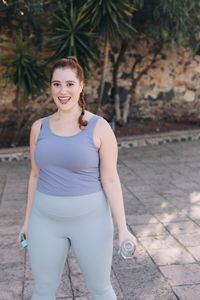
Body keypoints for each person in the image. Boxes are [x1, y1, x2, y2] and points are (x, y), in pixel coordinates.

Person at [18, 56, 137, 300]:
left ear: (81, 86)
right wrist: (27, 221)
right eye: (57, 84)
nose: (63, 91)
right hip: (44, 222)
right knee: (42, 291)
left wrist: (123, 229)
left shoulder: (100, 127)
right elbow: (34, 176)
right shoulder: (38, 128)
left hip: (91, 223)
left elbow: (111, 180)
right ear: (50, 87)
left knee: (100, 289)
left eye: (70, 84)